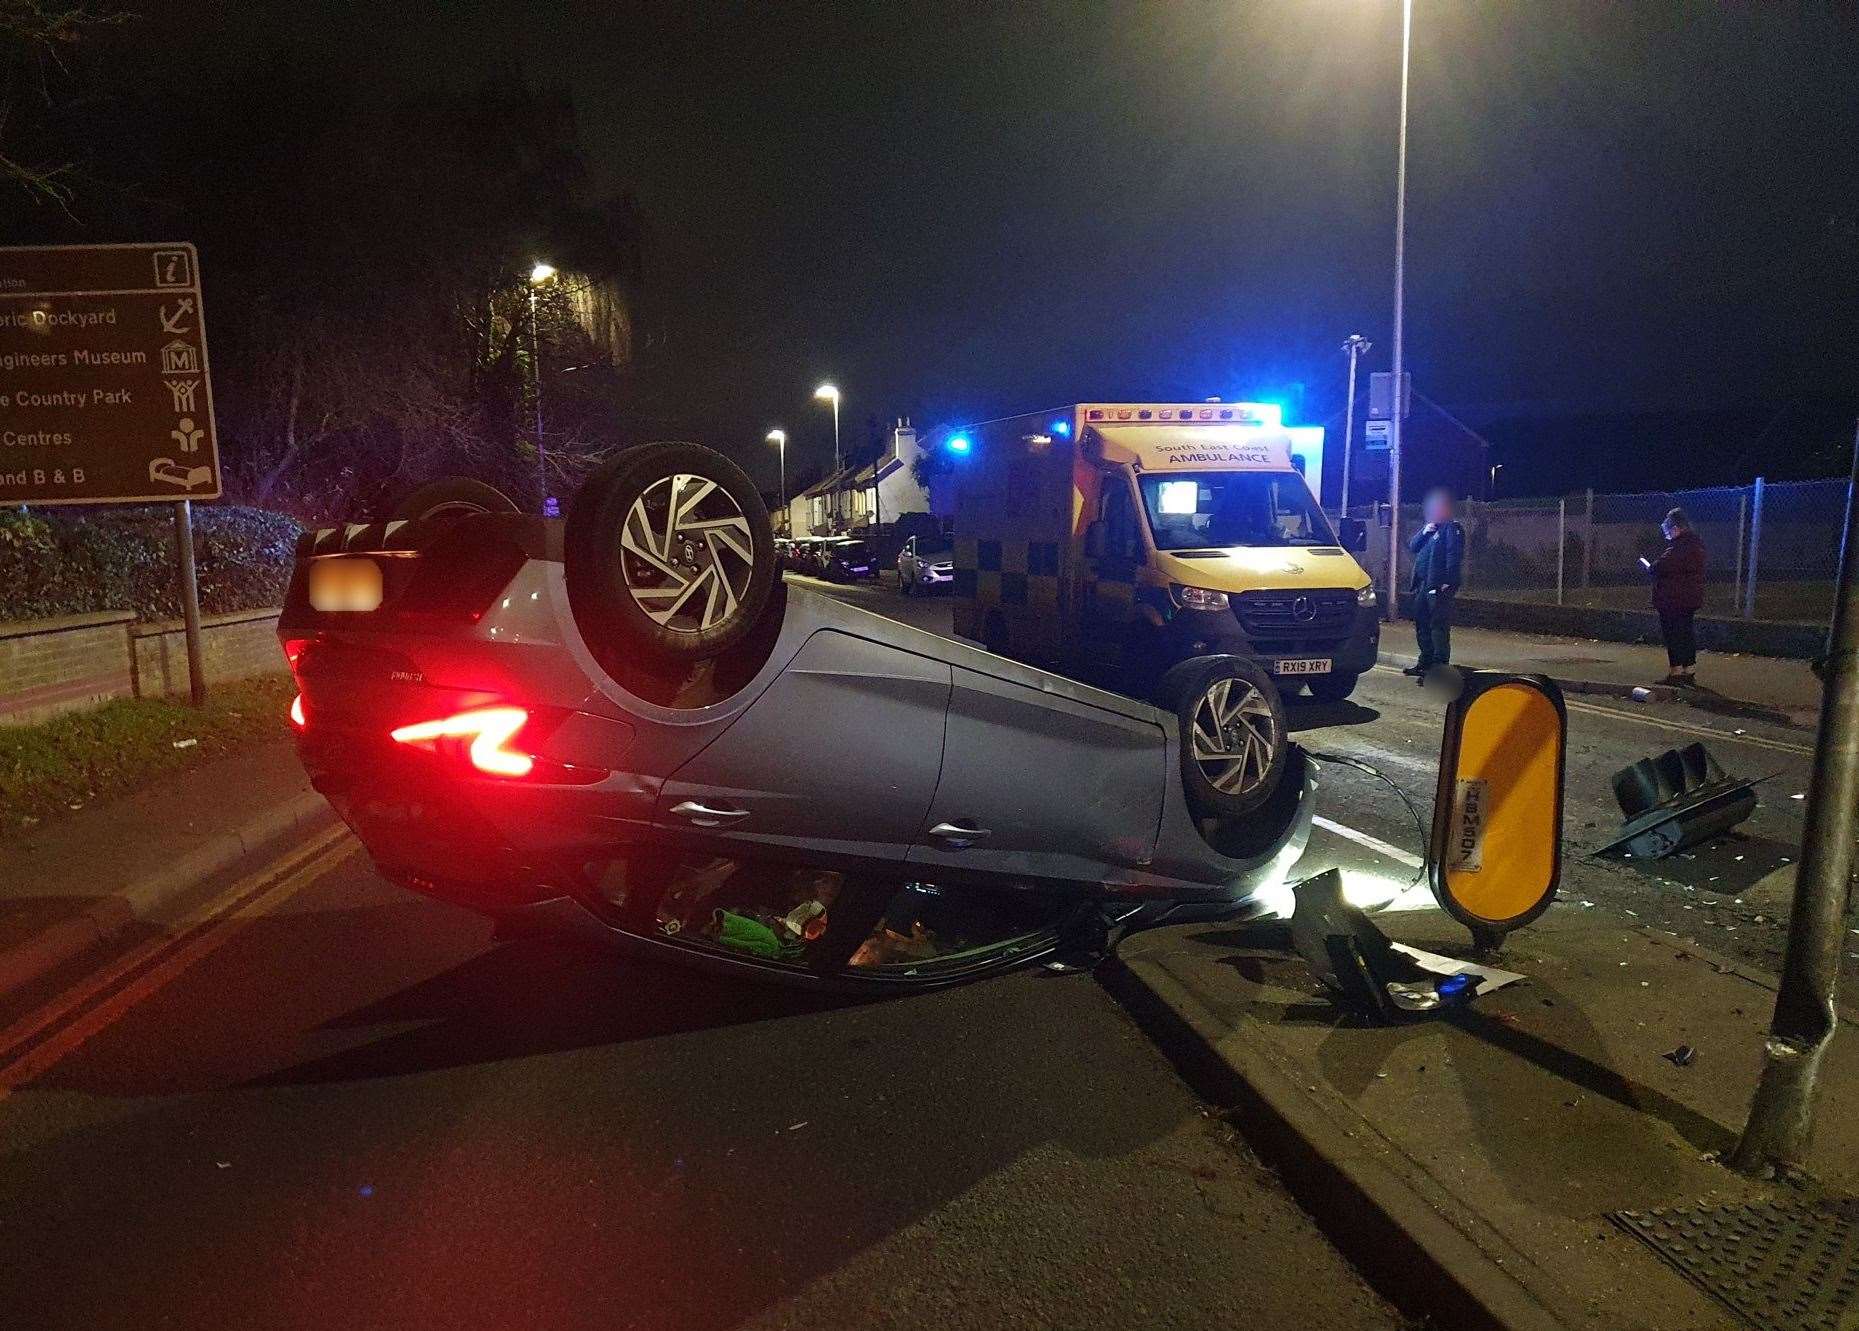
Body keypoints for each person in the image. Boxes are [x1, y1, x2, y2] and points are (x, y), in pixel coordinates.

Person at [1403, 488, 1464, 676]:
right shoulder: (1430, 530)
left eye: (1437, 508)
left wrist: (1448, 581)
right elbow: (1413, 546)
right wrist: (1424, 531)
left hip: (1438, 586)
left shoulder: (1451, 529)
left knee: (1438, 626)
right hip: (1423, 585)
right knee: (1422, 624)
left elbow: (1453, 556)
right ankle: (1425, 663)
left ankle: (1439, 668)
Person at [1648, 506, 1706, 687]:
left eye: (1671, 528)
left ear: (1677, 527)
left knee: (1673, 634)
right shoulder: (1696, 544)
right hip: (1689, 598)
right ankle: (1689, 670)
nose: (1669, 532)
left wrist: (1651, 568)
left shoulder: (1680, 546)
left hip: (1673, 599)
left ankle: (1676, 672)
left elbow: (1661, 566)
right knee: (1686, 633)